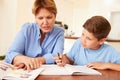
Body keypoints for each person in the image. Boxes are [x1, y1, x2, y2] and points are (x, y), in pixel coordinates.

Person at [4, 0, 64, 71]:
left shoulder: (59, 32)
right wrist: (24, 59)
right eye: (40, 18)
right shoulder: (27, 29)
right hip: (24, 72)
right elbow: (11, 54)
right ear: (35, 18)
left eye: (49, 17)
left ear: (55, 16)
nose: (45, 22)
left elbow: (57, 56)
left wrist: (35, 61)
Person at [54, 16, 120, 71]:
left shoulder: (110, 51)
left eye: (89, 39)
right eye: (83, 34)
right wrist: (63, 60)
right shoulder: (78, 43)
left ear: (101, 41)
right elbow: (70, 59)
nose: (83, 40)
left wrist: (106, 65)